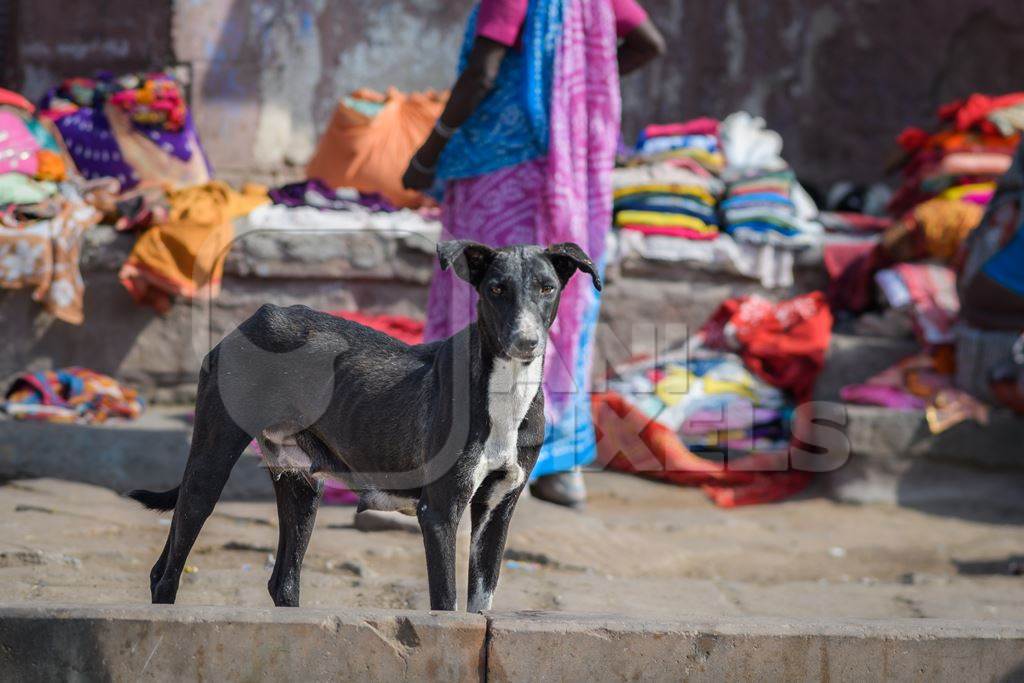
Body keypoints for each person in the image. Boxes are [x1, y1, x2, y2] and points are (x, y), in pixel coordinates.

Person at [403, 0, 664, 507]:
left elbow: (482, 72)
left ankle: (467, 452)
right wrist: (571, 96)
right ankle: (559, 467)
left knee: (485, 308)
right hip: (572, 165)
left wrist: (428, 152)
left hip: (503, 171)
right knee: (551, 308)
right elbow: (649, 44)